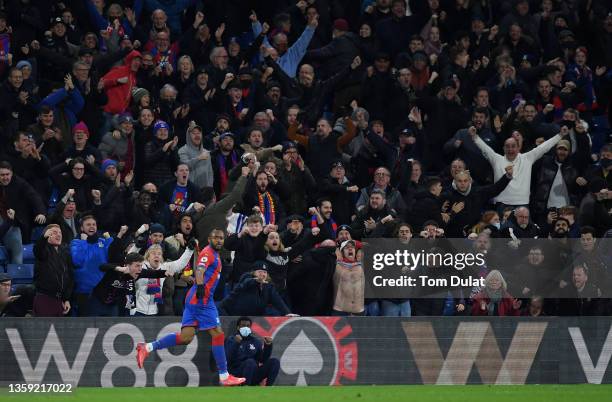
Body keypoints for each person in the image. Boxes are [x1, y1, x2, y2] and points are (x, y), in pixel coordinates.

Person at [136, 229, 246, 386]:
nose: (219, 241)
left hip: (193, 299)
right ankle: (224, 375)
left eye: (222, 238)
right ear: (209, 239)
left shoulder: (213, 254)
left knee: (185, 338)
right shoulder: (208, 253)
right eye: (216, 238)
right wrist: (200, 286)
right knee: (218, 335)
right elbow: (199, 270)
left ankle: (147, 347)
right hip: (202, 300)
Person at [225, 316, 280, 386]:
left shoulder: (255, 341)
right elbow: (228, 358)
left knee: (275, 362)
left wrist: (268, 346)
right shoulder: (231, 340)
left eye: (248, 326)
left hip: (253, 372)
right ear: (238, 327)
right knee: (250, 362)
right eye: (243, 326)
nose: (246, 328)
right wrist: (236, 344)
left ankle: (268, 387)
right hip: (237, 373)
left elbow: (263, 360)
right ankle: (245, 386)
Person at [33, 224, 73, 317]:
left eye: (60, 233)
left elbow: (70, 277)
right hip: (44, 299)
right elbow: (37, 249)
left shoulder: (65, 253)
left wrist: (66, 299)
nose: (58, 235)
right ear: (47, 235)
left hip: (60, 301)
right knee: (44, 330)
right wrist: (43, 238)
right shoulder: (43, 250)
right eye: (54, 233)